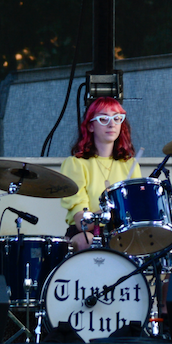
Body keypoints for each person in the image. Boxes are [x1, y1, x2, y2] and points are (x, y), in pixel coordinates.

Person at [60, 97, 141, 251]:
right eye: (104, 119)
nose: (112, 124)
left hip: (121, 232)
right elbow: (81, 223)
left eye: (117, 118)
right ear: (90, 126)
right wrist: (113, 209)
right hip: (87, 232)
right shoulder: (76, 164)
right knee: (88, 240)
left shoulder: (130, 164)